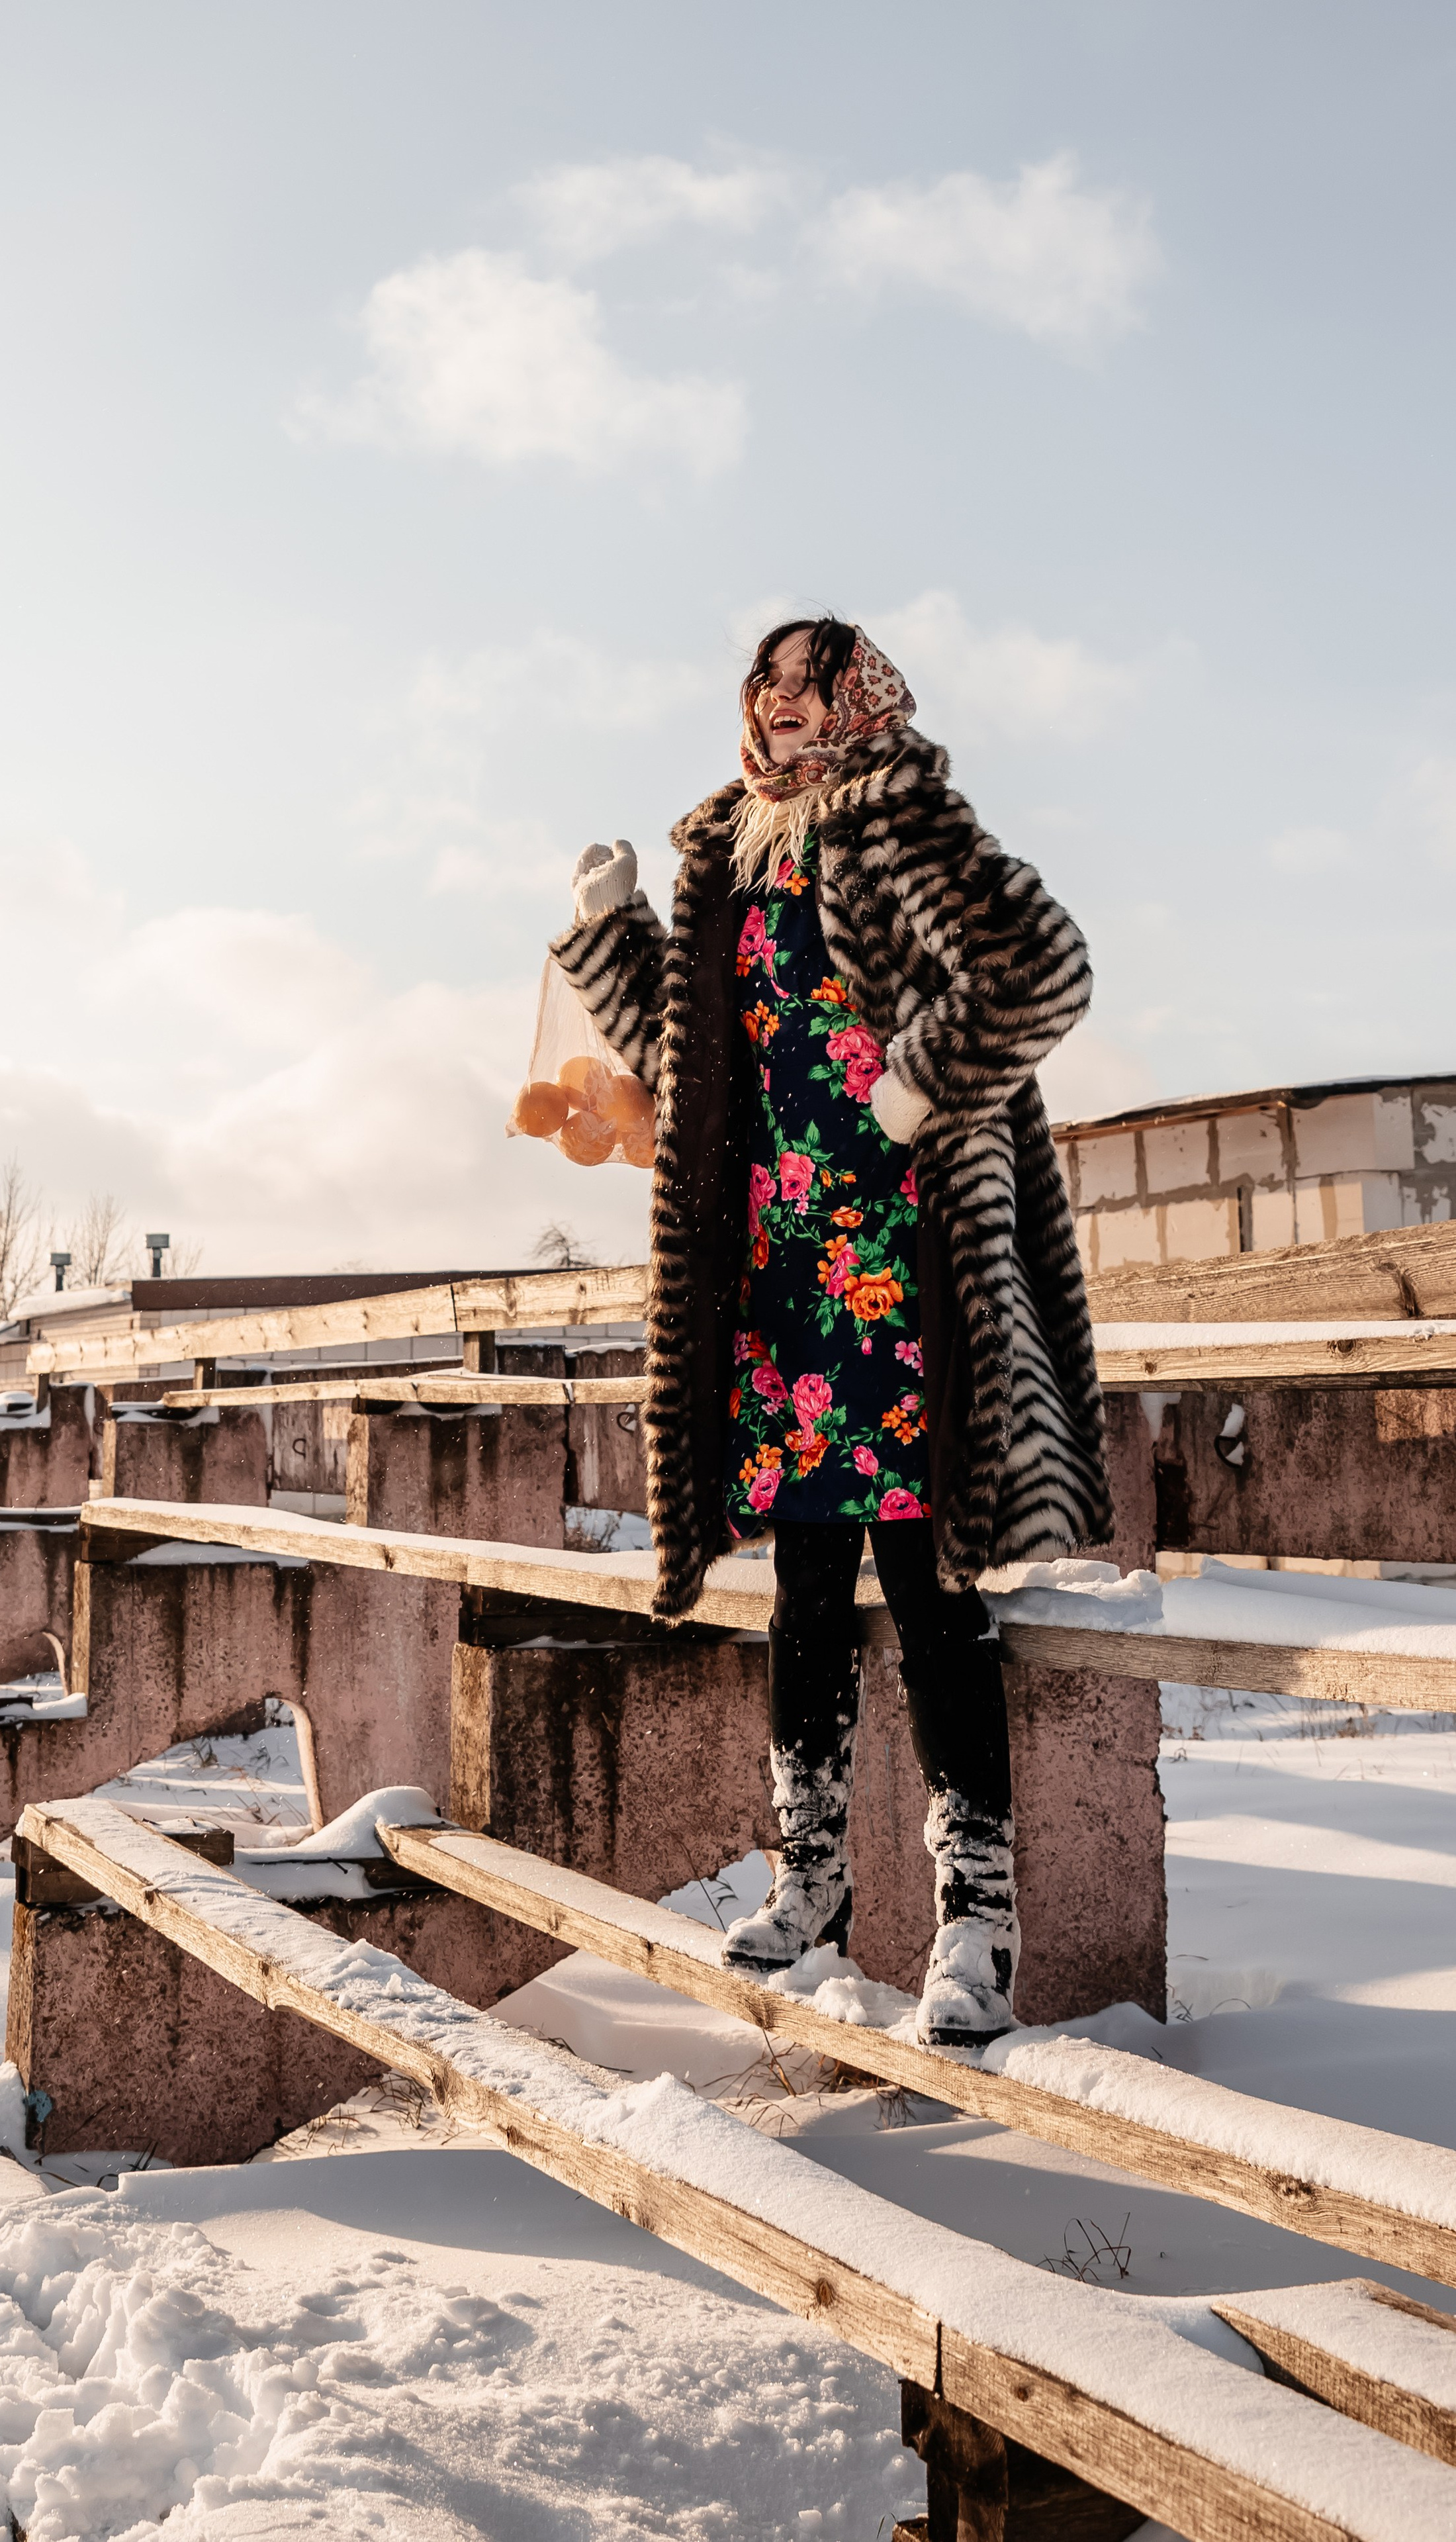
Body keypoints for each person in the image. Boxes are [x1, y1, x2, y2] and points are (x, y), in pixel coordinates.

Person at [549, 618, 1111, 2046]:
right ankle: (810, 1881)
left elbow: (1042, 966)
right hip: (781, 1269)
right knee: (804, 1590)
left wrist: (923, 1083)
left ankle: (975, 1923)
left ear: (854, 697)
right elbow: (688, 1057)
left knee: (928, 1597)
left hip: (907, 1258)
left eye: (804, 680)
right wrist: (608, 934)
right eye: (763, 680)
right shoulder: (730, 843)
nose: (777, 701)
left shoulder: (905, 815)